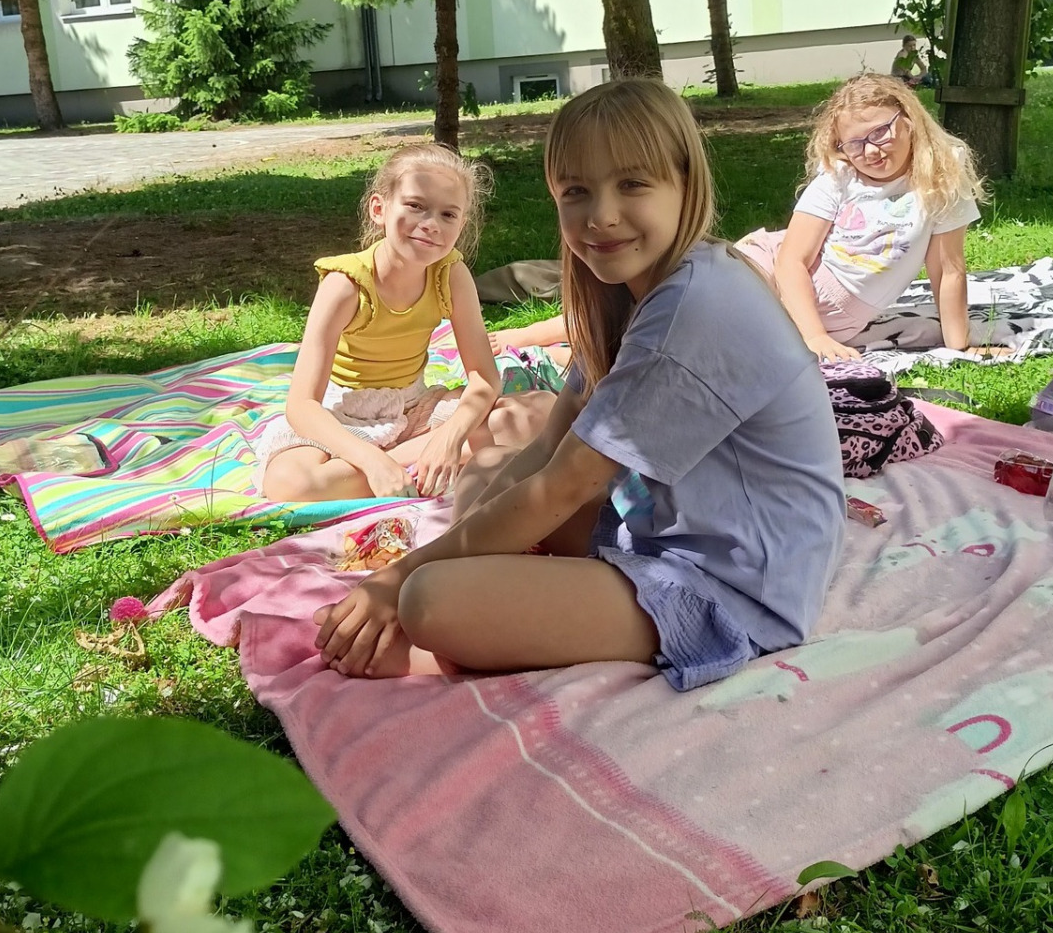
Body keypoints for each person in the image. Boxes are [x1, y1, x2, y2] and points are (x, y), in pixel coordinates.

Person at [314, 79, 845, 686]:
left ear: (686, 184)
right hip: (661, 528)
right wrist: (443, 555)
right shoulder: (625, 293)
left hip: (736, 587)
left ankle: (424, 642)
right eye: (576, 192)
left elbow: (564, 486)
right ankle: (472, 616)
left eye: (633, 184)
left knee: (429, 598)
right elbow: (548, 447)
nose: (601, 215)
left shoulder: (698, 306)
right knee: (487, 473)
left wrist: (397, 578)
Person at [260, 145, 550, 503]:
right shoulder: (346, 284)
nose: (431, 225)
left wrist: (449, 438)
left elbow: (484, 378)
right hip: (345, 414)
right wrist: (371, 460)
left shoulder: (450, 274)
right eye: (415, 206)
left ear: (461, 224)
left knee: (541, 411)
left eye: (448, 214)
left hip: (415, 408)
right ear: (379, 209)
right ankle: (399, 468)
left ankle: (411, 463)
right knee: (288, 482)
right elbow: (302, 405)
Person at [736, 72, 984, 363]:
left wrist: (959, 348)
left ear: (908, 120)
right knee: (715, 302)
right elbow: (791, 261)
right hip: (774, 272)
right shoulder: (839, 176)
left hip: (838, 318)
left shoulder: (940, 177)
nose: (870, 150)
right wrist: (815, 336)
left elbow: (947, 270)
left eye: (880, 132)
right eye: (854, 144)